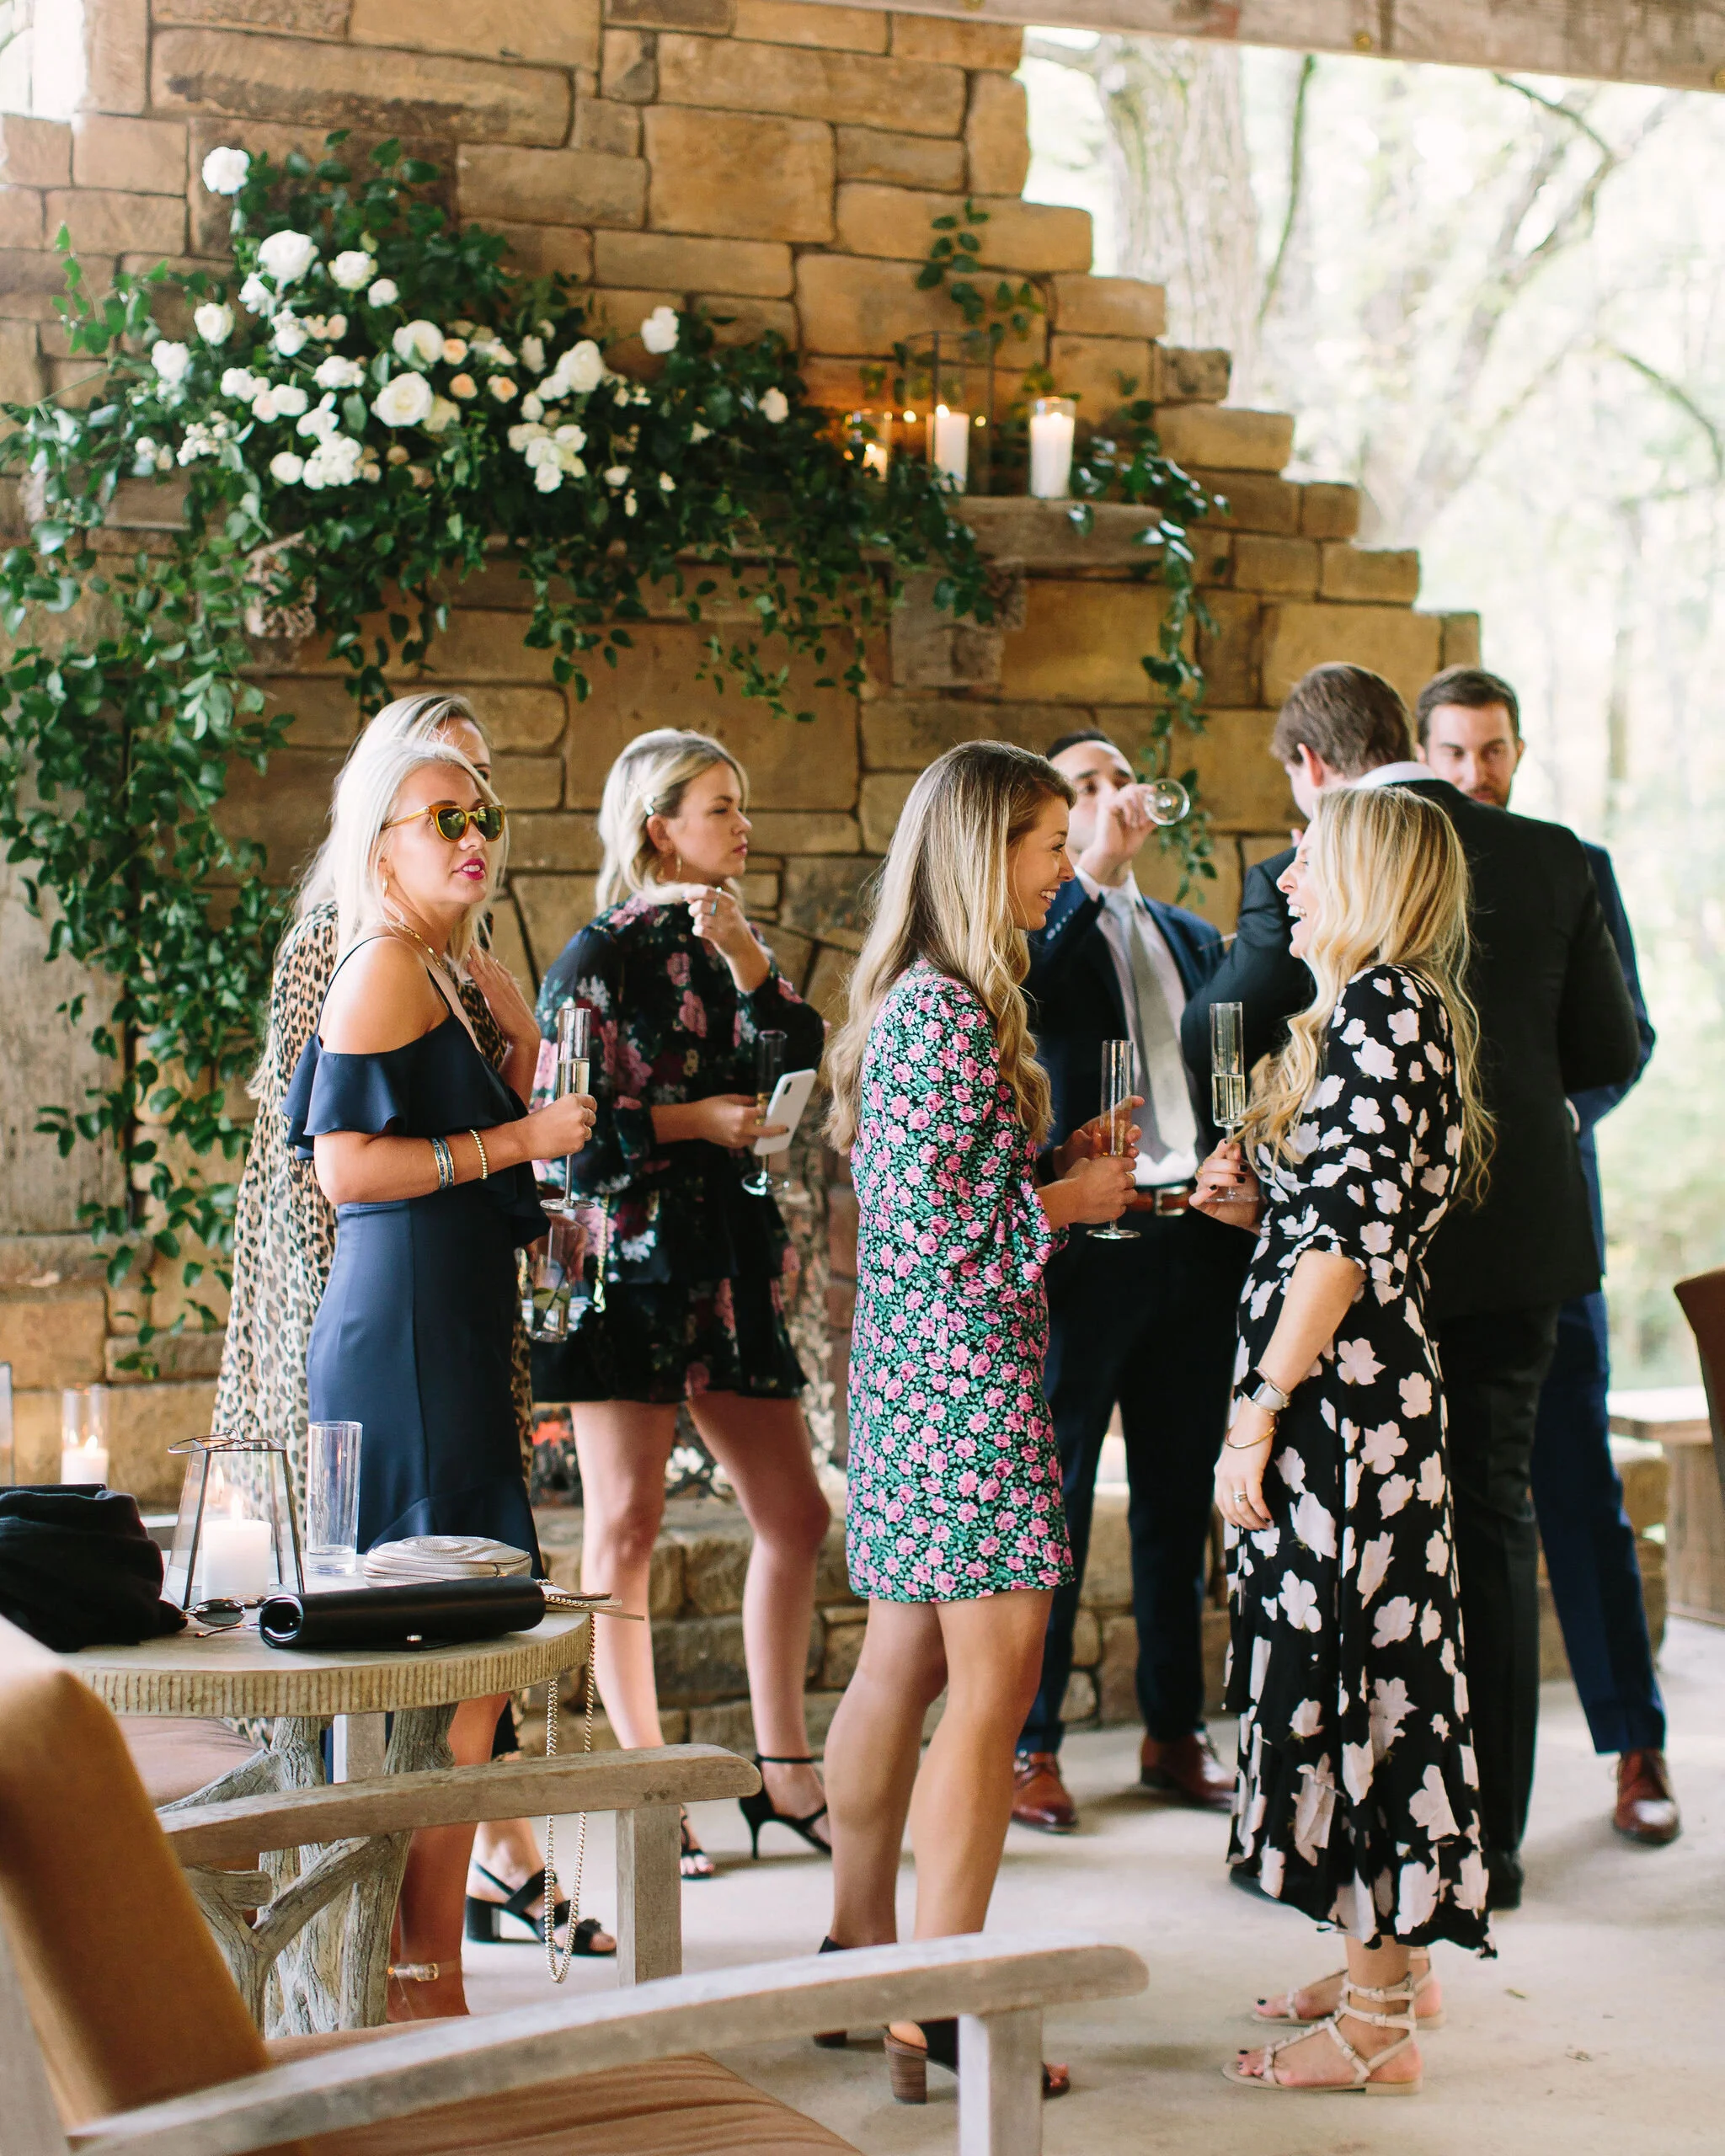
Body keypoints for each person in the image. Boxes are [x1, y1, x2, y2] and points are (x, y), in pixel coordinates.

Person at [1182, 663, 1642, 1908]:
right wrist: (1509, 1134)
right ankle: (1477, 1847)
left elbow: (1219, 1026)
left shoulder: (1330, 871)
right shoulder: (1558, 857)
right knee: (1491, 1529)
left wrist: (1269, 1151)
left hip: (1355, 1274)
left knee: (1373, 1563)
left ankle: (1384, 1865)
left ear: (1313, 767)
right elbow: (1614, 1051)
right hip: (1510, 1251)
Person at [215, 693, 601, 1955]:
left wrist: (538, 1203)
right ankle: (410, 1953)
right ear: (381, 840)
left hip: (459, 1318)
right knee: (435, 1647)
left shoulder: (460, 964)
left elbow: (500, 1138)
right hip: (404, 1337)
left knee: (472, 1652)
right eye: (446, 817)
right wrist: (519, 1141)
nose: (475, 834)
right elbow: (345, 1174)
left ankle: (421, 1942)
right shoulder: (376, 960)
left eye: (484, 814)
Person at [820, 741, 1137, 2105]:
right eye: (1047, 846)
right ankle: (938, 2005)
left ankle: (857, 1954)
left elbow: (938, 1201)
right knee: (993, 1689)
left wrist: (1053, 1166)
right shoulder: (946, 1014)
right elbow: (949, 1238)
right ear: (981, 850)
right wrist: (1071, 1207)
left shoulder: (916, 1000)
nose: (1064, 870)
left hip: (912, 1383)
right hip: (963, 1388)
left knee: (903, 1663)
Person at [1196, 783, 1495, 2095]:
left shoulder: (1384, 1010)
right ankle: (1393, 1957)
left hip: (1341, 1419)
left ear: (1367, 870)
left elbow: (1343, 1251)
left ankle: (1377, 2028)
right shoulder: (1389, 1010)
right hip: (1363, 1399)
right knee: (1366, 1658)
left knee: (1354, 1673)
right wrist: (1253, 1205)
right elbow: (1331, 1220)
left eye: (1310, 857)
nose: (1289, 876)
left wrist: (1255, 1419)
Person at [531, 729, 833, 1880]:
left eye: (742, 804)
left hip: (730, 1267)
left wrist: (752, 960)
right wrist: (689, 1124)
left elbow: (797, 1054)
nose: (742, 826)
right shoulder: (596, 959)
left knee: (797, 1515)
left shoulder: (734, 942)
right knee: (624, 1530)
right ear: (660, 824)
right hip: (626, 1271)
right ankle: (651, 1792)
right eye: (721, 807)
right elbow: (564, 1140)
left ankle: (784, 1767)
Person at [1417, 666, 1676, 1846]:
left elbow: (1624, 1042)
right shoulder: (1409, 867)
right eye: (1458, 754)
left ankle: (1637, 1748)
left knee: (1583, 1495)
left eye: (1495, 751)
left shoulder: (1575, 863)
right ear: (1426, 755)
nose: (1478, 773)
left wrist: (1559, 1116)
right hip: (1440, 1246)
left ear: (1518, 751)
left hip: (1552, 1230)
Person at [1011, 728, 1252, 1833]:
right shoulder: (1038, 933)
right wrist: (1091, 873)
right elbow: (1037, 991)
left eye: (1119, 781)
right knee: (1051, 1500)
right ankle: (1031, 1744)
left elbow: (1232, 1062)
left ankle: (1173, 1728)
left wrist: (1239, 1150)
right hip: (1085, 1245)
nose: (1114, 800)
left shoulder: (1193, 937)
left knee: (1176, 1491)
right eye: (1086, 788)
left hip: (1192, 1243)